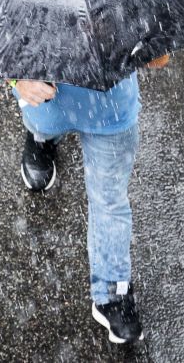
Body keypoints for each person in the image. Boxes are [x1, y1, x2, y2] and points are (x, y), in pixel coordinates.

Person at [11, 53, 170, 345]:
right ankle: (41, 138)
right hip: (47, 106)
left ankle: (111, 293)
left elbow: (161, 58)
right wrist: (16, 80)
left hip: (111, 114)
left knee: (109, 201)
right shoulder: (27, 8)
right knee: (42, 124)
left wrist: (148, 53)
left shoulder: (125, 6)